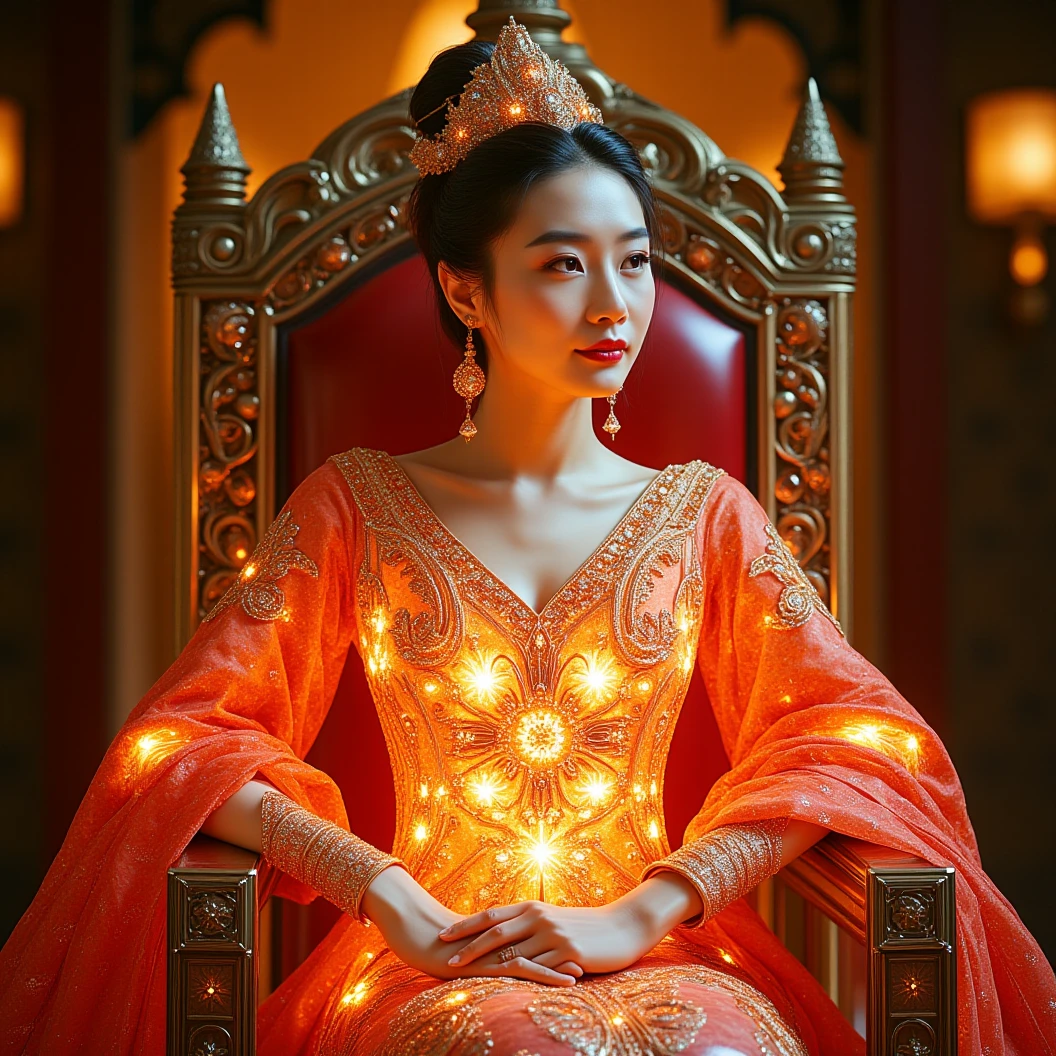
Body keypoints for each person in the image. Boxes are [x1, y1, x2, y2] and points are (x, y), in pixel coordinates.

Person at [1, 18, 1053, 1056]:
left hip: (660, 949)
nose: (615, 306)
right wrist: (379, 889)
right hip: (431, 955)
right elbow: (181, 744)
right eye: (562, 266)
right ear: (466, 287)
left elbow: (853, 749)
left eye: (634, 262)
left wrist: (647, 909)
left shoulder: (705, 514)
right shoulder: (354, 505)